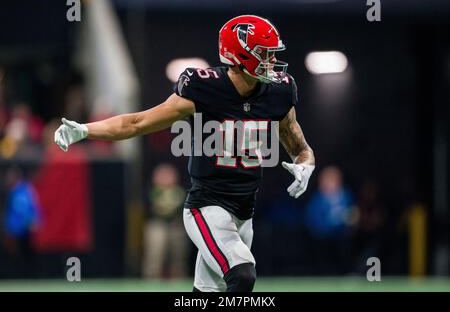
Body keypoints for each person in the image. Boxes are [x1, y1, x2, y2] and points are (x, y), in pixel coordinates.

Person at [54, 15, 315, 292]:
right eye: (265, 53)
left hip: (244, 212)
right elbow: (137, 122)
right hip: (207, 207)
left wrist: (305, 165)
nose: (273, 61)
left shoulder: (279, 90)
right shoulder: (205, 86)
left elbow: (300, 147)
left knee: (207, 293)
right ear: (239, 55)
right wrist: (85, 130)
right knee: (242, 275)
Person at [142, 163, 188, 279]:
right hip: (157, 224)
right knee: (154, 254)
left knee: (178, 256)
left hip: (176, 225)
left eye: (168, 175)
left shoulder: (179, 192)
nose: (165, 179)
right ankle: (151, 280)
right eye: (162, 176)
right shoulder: (152, 192)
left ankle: (178, 279)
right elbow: (148, 208)